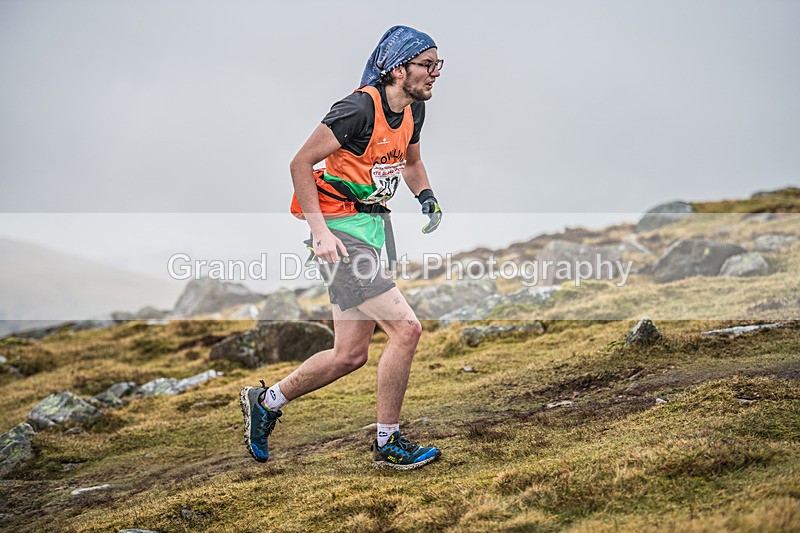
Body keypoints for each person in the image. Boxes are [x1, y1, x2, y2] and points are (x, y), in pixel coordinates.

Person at [239, 25, 444, 470]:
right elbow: (300, 163)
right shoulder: (356, 110)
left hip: (370, 227)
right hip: (339, 233)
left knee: (349, 355)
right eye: (426, 65)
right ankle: (388, 443)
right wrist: (320, 232)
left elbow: (411, 162)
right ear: (396, 68)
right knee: (406, 330)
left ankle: (266, 400)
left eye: (437, 65)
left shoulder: (413, 111)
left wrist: (425, 196)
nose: (435, 74)